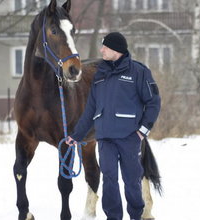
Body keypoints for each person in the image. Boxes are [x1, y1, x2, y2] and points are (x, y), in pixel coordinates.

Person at [66, 32, 161, 220]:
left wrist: (142, 131)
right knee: (109, 180)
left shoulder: (138, 72)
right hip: (105, 138)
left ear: (116, 50)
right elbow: (90, 110)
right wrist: (76, 135)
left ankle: (136, 215)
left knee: (132, 181)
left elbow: (153, 102)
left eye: (105, 47)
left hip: (129, 137)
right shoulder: (100, 76)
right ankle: (113, 217)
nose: (101, 50)